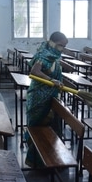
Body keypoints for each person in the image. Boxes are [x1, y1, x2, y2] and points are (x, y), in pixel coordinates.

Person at [24, 31, 68, 167]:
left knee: (49, 128)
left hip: (49, 97)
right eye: (61, 45)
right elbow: (34, 71)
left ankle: (49, 160)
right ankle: (38, 162)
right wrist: (51, 80)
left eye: (64, 46)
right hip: (39, 99)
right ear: (52, 43)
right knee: (38, 128)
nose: (62, 49)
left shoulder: (53, 55)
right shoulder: (44, 55)